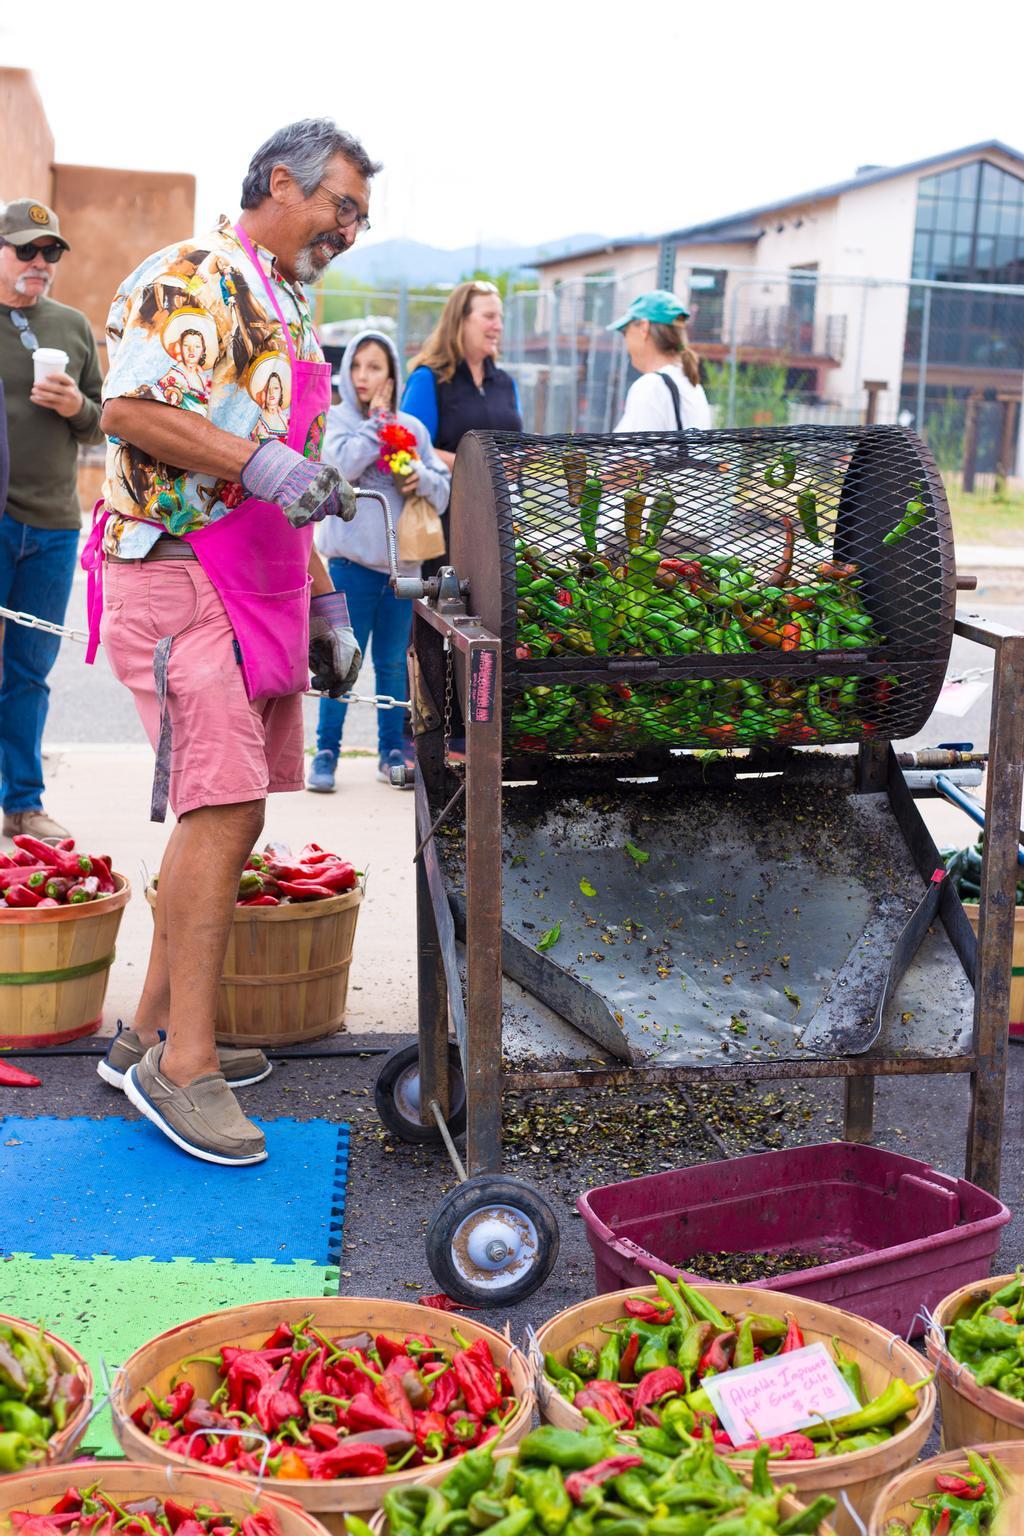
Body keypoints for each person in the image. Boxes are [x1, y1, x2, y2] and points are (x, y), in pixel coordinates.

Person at [92, 119, 379, 1167]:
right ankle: (185, 1068)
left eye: (359, 216)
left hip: (255, 580)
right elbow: (127, 407)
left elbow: (297, 479)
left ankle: (148, 1036)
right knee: (225, 807)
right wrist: (258, 466)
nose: (348, 229)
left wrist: (326, 608)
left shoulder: (292, 308)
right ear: (276, 181)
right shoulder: (193, 273)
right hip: (172, 571)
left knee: (237, 809)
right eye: (339, 204)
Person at [0, 199, 103, 843]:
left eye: (50, 253)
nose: (39, 263)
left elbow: (106, 417)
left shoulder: (71, 326)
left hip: (56, 526)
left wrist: (76, 406)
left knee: (30, 671)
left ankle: (23, 804)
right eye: (25, 251)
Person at [308, 329, 450, 794]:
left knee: (392, 665)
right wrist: (378, 426)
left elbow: (442, 490)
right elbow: (339, 468)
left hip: (402, 573)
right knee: (342, 661)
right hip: (350, 566)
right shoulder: (336, 421)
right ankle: (326, 752)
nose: (365, 376)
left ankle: (393, 750)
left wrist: (419, 483)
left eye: (376, 367)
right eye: (357, 366)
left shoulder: (413, 428)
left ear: (392, 375)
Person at [402, 280, 522, 471]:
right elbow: (407, 449)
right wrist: (482, 468)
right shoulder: (428, 380)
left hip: (508, 500)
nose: (499, 326)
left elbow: (516, 447)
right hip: (449, 499)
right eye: (489, 316)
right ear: (461, 321)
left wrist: (524, 455)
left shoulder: (506, 383)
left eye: (500, 317)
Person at [610, 291, 711, 432]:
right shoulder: (692, 385)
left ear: (644, 328)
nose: (625, 340)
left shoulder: (651, 387)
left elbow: (636, 453)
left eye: (625, 331)